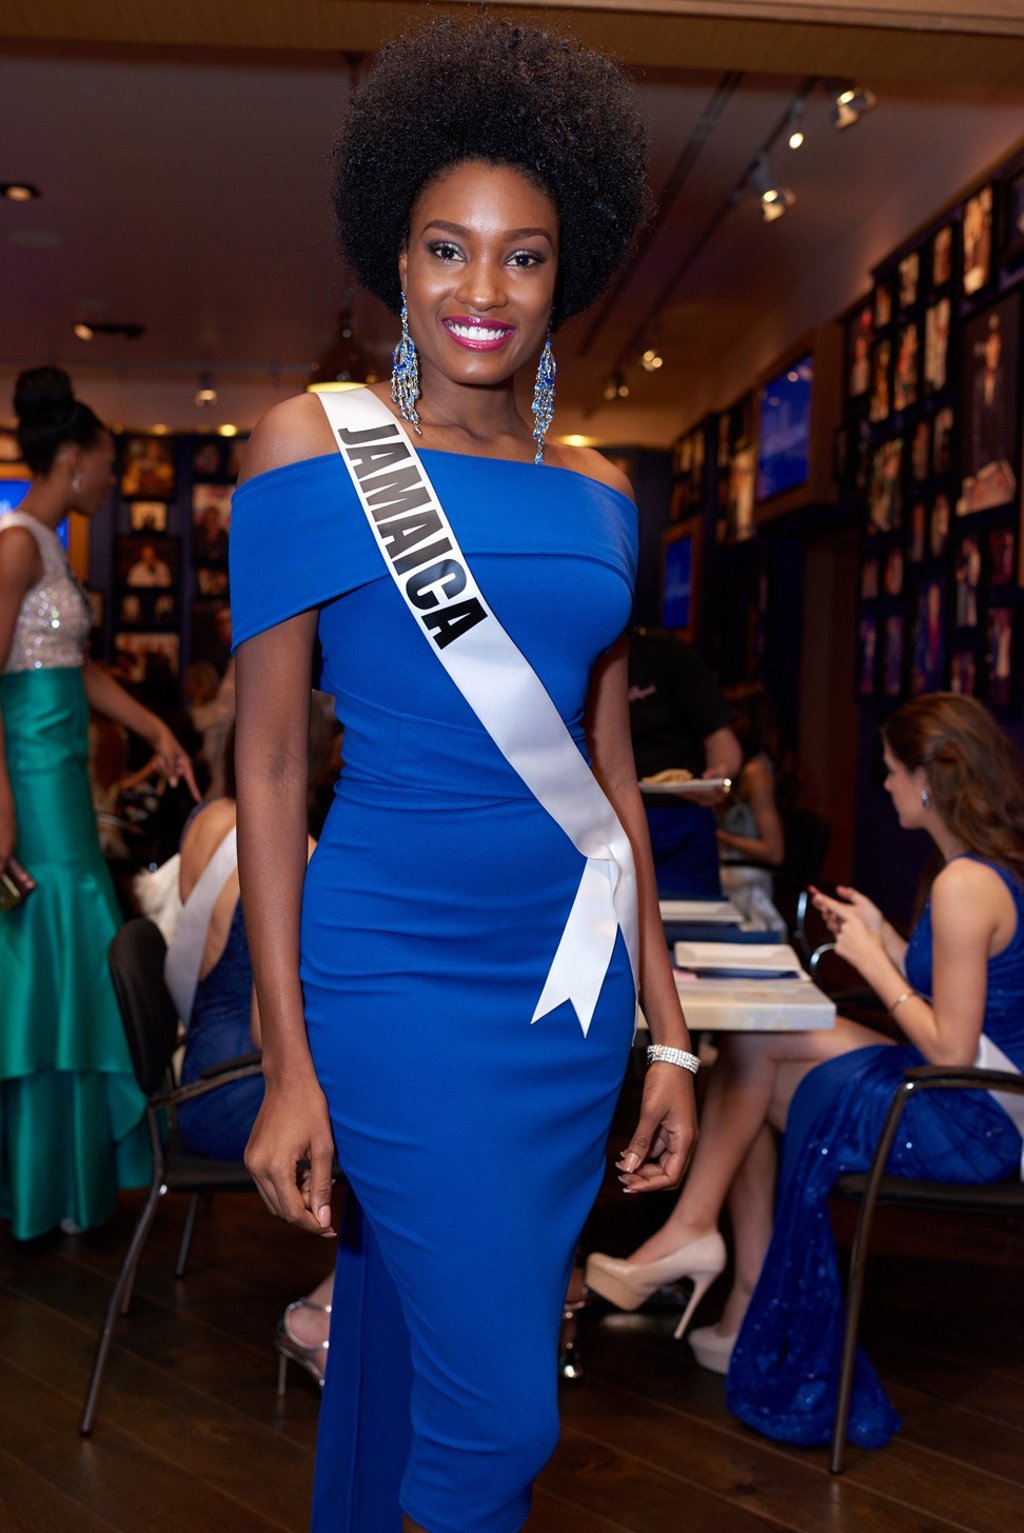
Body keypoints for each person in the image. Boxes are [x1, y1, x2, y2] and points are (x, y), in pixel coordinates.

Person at [229, 19, 698, 1532]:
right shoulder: (311, 446)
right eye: (446, 248)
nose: (480, 292)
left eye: (521, 256)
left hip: (566, 1002)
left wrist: (674, 1033)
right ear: (397, 258)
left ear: (569, 275)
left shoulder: (605, 495)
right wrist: (288, 1064)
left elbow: (611, 771)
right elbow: (275, 764)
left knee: (416, 1349)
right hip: (396, 981)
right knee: (503, 1418)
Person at [586, 693, 1024, 1449]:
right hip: (969, 1090)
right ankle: (726, 1273)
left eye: (891, 771)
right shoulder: (970, 872)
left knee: (747, 1067)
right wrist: (886, 942)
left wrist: (872, 965)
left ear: (930, 778)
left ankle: (700, 1242)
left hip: (973, 1116)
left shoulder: (963, 886)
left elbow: (952, 1049)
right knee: (747, 1066)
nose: (884, 785)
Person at [0, 366, 198, 1241]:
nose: (113, 482)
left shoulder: (46, 542)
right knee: (49, 952)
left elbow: (69, 666)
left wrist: (155, 724)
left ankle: (65, 1177)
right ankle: (35, 1182)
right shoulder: (14, 545)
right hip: (29, 778)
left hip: (60, 771)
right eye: (107, 466)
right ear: (73, 460)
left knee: (73, 953)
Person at [168, 716, 335, 1389]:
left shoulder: (208, 821)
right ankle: (325, 1314)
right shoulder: (299, 852)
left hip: (191, 1076)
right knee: (408, 1131)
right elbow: (275, 1037)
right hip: (237, 1093)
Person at [629, 627, 742, 898]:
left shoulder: (664, 653)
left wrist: (718, 776)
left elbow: (723, 743)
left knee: (692, 924)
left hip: (680, 822)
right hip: (607, 823)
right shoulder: (574, 655)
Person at [716, 683, 786, 932]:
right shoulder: (739, 769)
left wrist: (719, 837)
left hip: (749, 888)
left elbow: (774, 851)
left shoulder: (756, 773)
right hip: (733, 877)